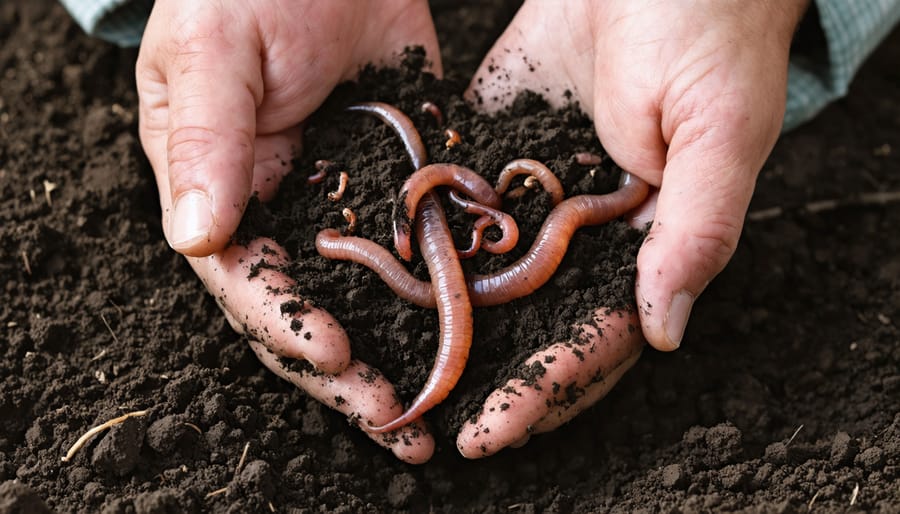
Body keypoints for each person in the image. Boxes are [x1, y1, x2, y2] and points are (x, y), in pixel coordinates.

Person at [60, 0, 900, 463]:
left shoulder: (457, 221)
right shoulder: (441, 220)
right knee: (474, 266)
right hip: (451, 196)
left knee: (493, 256)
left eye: (344, 239)